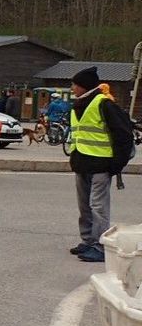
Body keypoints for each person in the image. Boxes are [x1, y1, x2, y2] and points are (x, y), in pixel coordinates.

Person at [68, 67, 134, 262]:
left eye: (74, 85)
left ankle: (100, 246)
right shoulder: (78, 105)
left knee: (98, 207)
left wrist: (116, 165)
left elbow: (124, 135)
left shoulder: (104, 104)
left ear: (83, 86)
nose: (71, 88)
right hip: (82, 163)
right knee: (84, 205)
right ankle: (88, 240)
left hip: (101, 164)